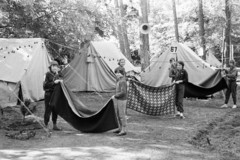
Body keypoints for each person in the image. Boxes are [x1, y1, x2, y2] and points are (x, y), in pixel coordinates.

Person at [43, 61, 63, 131]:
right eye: (53, 66)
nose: (54, 68)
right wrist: (54, 82)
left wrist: (61, 81)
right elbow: (45, 85)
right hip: (48, 94)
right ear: (50, 67)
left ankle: (54, 125)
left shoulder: (58, 74)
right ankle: (46, 125)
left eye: (56, 66)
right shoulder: (47, 74)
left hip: (56, 94)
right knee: (48, 109)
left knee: (55, 109)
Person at [112, 69, 128, 136]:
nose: (116, 74)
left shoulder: (122, 81)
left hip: (122, 100)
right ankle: (120, 128)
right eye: (116, 73)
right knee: (119, 114)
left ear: (121, 74)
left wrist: (115, 95)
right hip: (119, 99)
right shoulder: (119, 80)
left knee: (122, 115)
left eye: (118, 73)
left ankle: (123, 130)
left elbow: (123, 92)